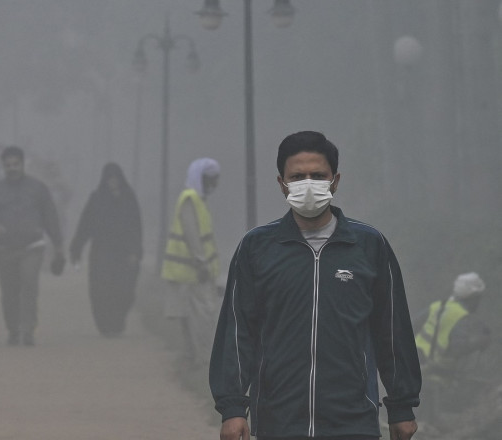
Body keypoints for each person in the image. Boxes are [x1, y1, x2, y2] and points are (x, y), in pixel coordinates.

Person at [210, 131, 421, 440]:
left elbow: (391, 330)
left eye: (317, 175)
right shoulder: (257, 248)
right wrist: (232, 408)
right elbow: (238, 331)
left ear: (334, 181)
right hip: (278, 420)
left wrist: (402, 408)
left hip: (352, 420)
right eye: (297, 176)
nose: (307, 184)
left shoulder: (368, 246)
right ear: (282, 184)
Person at [0, 145, 65, 346]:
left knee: (29, 285)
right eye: (8, 165)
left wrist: (59, 245)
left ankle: (28, 330)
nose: (12, 168)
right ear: (3, 166)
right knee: (10, 291)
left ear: (22, 164)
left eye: (15, 164)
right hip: (5, 249)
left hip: (32, 247)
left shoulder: (38, 189)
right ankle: (13, 329)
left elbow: (50, 217)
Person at [69, 162, 142, 337]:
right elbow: (85, 225)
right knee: (101, 291)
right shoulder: (96, 199)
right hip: (101, 253)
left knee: (124, 291)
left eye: (115, 179)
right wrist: (76, 248)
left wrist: (135, 252)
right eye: (110, 179)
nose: (113, 183)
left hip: (124, 254)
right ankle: (105, 325)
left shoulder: (129, 199)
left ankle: (118, 321)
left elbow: (136, 228)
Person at [161, 158, 221, 367]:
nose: (213, 184)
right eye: (209, 180)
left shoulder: (197, 199)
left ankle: (194, 356)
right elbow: (192, 234)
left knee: (190, 315)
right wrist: (201, 262)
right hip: (191, 270)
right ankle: (202, 358)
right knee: (201, 316)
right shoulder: (190, 199)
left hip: (190, 270)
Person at [414, 272, 490, 421]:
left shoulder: (438, 306)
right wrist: (479, 342)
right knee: (424, 423)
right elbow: (458, 348)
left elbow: (411, 325)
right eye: (478, 298)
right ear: (472, 298)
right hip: (434, 378)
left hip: (415, 368)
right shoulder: (461, 316)